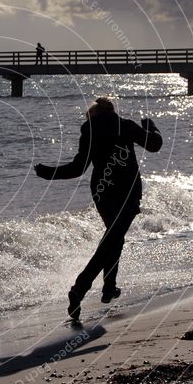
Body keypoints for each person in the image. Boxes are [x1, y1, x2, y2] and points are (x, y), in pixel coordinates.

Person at [33, 97, 163, 322]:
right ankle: (79, 289)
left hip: (102, 193)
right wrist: (150, 125)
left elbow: (78, 168)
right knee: (113, 238)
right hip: (127, 192)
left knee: (114, 238)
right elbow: (155, 145)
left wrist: (48, 172)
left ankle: (108, 288)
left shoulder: (90, 131)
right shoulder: (126, 125)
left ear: (93, 116)